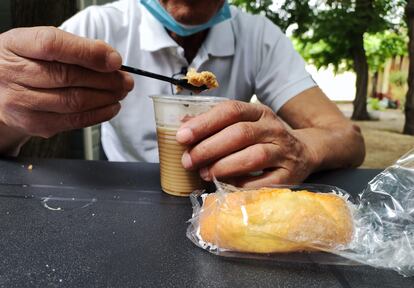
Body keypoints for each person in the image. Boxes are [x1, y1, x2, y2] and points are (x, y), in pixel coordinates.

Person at [0, 0, 365, 187]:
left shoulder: (258, 36)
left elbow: (345, 137)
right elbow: (12, 119)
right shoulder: (97, 27)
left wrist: (300, 149)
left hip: (219, 198)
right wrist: (9, 113)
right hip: (119, 195)